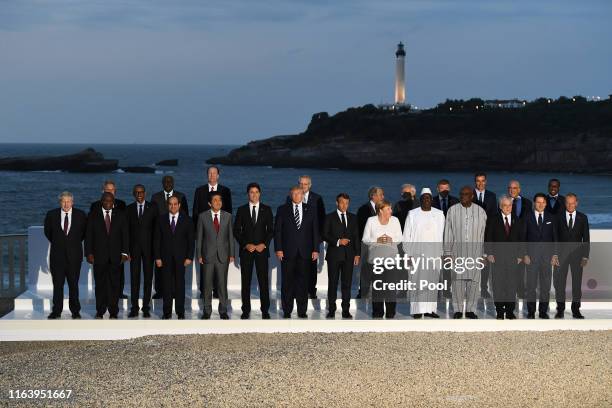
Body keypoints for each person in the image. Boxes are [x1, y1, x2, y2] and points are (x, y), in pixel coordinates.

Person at [275, 186, 319, 318]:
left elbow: (315, 231)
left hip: (305, 252)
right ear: (290, 195)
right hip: (287, 252)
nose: (296, 196)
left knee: (303, 283)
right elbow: (278, 231)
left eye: (299, 193)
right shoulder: (282, 209)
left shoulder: (311, 210)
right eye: (294, 194)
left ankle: (302, 311)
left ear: (302, 195)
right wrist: (278, 249)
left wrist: (316, 249)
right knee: (287, 282)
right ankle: (287, 311)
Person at [444, 186, 487, 319]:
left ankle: (470, 310)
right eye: (461, 194)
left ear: (472, 196)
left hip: (475, 252)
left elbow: (483, 235)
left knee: (473, 282)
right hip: (457, 251)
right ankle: (457, 309)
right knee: (457, 281)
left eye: (467, 194)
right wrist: (447, 252)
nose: (464, 196)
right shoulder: (452, 210)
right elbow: (448, 232)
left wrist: (484, 254)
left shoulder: (480, 211)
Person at [43, 191, 88, 319]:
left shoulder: (81, 215)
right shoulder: (51, 215)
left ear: (72, 202)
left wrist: (72, 243)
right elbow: (48, 232)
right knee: (57, 285)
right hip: (57, 256)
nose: (66, 204)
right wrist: (60, 242)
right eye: (63, 201)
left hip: (74, 256)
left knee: (74, 284)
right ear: (60, 202)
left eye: (69, 201)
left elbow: (84, 233)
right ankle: (56, 311)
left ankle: (75, 311)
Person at [402, 188, 445, 319]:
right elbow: (406, 235)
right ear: (420, 200)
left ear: (432, 200)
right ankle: (417, 310)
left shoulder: (439, 214)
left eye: (428, 198)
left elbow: (442, 235)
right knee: (417, 282)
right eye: (424, 198)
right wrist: (407, 254)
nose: (426, 200)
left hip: (434, 254)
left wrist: (443, 253)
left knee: (432, 283)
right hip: (416, 254)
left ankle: (430, 309)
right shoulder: (412, 214)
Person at [85, 192, 129, 319]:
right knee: (100, 285)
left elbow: (125, 235)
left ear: (113, 202)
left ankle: (113, 312)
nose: (108, 203)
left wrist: (125, 253)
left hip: (116, 257)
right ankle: (100, 311)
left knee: (115, 285)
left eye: (110, 201)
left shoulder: (121, 215)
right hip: (99, 257)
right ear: (101, 201)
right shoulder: (93, 215)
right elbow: (89, 236)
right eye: (105, 201)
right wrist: (88, 253)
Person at [233, 183, 274, 319]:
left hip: (262, 251)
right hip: (247, 252)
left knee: (263, 282)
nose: (254, 194)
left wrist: (264, 244)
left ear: (260, 193)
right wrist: (245, 244)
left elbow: (271, 230)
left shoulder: (267, 209)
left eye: (256, 192)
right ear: (248, 194)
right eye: (251, 192)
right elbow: (236, 231)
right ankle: (246, 310)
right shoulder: (241, 210)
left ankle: (265, 310)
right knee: (246, 282)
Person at [192, 165, 232, 299]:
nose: (212, 175)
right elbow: (195, 212)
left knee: (220, 269)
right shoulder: (199, 191)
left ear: (218, 175)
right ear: (207, 175)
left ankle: (218, 293)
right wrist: (197, 235)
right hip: (205, 235)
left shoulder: (225, 191)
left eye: (214, 173)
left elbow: (229, 213)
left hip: (221, 236)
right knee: (205, 267)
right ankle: (205, 292)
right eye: (209, 173)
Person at [484, 195, 525, 319]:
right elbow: (488, 238)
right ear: (501, 206)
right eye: (505, 205)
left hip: (513, 258)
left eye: (510, 205)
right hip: (497, 258)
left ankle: (510, 311)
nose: (508, 208)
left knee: (511, 285)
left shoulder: (518, 220)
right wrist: (489, 254)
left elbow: (521, 240)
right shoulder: (493, 219)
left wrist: (520, 256)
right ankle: (500, 311)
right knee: (498, 285)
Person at [196, 192, 235, 320]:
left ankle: (223, 310)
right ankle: (207, 311)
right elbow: (199, 238)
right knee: (207, 285)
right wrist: (199, 255)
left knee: (222, 285)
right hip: (207, 255)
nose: (218, 202)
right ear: (209, 203)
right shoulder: (202, 217)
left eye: (220, 200)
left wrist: (232, 254)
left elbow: (230, 237)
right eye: (215, 200)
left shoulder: (228, 216)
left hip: (223, 256)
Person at [154, 196, 194, 319]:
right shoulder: (161, 219)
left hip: (181, 258)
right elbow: (157, 240)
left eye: (175, 204)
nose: (173, 206)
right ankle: (167, 312)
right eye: (170, 204)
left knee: (179, 285)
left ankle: (180, 311)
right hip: (165, 258)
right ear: (167, 205)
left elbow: (190, 241)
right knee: (166, 285)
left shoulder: (187, 220)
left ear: (179, 205)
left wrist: (189, 257)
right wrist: (158, 257)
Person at [362, 200, 403, 319]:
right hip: (376, 260)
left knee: (390, 287)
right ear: (380, 210)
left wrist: (391, 239)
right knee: (378, 287)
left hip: (391, 259)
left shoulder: (395, 220)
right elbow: (365, 239)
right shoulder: (371, 221)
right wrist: (377, 241)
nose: (391, 211)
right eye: (388, 209)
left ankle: (391, 313)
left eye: (390, 209)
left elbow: (400, 238)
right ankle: (377, 312)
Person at [286, 175, 325, 299]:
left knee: (311, 268)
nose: (303, 186)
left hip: (312, 240)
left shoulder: (318, 198)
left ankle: (311, 291)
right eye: (301, 183)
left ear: (310, 185)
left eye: (305, 184)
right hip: (295, 241)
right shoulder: (289, 197)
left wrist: (318, 240)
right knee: (295, 268)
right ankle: (295, 291)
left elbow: (322, 220)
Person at [322, 193, 361, 319]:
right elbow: (325, 234)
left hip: (349, 256)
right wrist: (338, 241)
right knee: (332, 283)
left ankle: (346, 310)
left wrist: (357, 254)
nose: (344, 205)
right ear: (337, 203)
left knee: (347, 284)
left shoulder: (353, 218)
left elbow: (356, 237)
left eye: (346, 203)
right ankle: (332, 310)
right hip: (334, 255)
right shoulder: (329, 217)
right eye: (342, 202)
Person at [150, 175, 189, 299]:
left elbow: (185, 217)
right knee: (160, 267)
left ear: (173, 183)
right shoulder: (155, 197)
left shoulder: (181, 196)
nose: (168, 183)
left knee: (176, 269)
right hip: (161, 236)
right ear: (162, 183)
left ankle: (174, 291)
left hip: (177, 237)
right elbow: (152, 217)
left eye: (170, 181)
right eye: (165, 181)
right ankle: (159, 290)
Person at [89, 180, 128, 299]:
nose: (110, 191)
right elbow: (91, 228)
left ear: (115, 191)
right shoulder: (95, 205)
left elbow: (124, 228)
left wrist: (125, 251)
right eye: (107, 190)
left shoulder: (122, 204)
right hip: (101, 249)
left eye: (112, 190)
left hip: (116, 248)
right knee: (101, 276)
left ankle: (119, 293)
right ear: (103, 191)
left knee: (119, 273)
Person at [523, 193, 559, 319]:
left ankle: (543, 311)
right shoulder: (527, 217)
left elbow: (555, 238)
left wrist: (555, 255)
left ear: (546, 203)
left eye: (543, 202)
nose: (540, 204)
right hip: (531, 258)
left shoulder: (552, 217)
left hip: (547, 258)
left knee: (545, 286)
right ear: (534, 203)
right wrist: (525, 254)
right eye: (538, 202)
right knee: (531, 286)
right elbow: (523, 238)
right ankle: (531, 312)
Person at [554, 193, 589, 319]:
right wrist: (555, 255)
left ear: (577, 203)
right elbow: (555, 238)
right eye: (568, 203)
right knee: (560, 283)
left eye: (572, 202)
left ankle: (576, 310)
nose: (570, 205)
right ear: (565, 203)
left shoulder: (583, 217)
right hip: (561, 256)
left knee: (576, 283)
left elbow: (586, 239)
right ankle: (560, 309)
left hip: (577, 256)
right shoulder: (557, 217)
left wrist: (585, 256)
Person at [126, 184, 157, 318]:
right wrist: (126, 251)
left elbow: (157, 232)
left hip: (149, 250)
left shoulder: (153, 208)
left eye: (141, 192)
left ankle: (146, 307)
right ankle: (134, 307)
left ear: (145, 193)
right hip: (133, 251)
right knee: (134, 279)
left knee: (148, 279)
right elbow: (126, 232)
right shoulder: (129, 209)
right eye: (137, 192)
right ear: (134, 194)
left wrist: (156, 252)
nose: (139, 194)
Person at [356, 186, 385, 299]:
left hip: (381, 247)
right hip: (367, 246)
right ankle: (363, 292)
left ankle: (376, 291)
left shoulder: (382, 209)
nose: (383, 197)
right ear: (373, 196)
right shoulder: (364, 209)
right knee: (366, 270)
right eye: (381, 194)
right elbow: (360, 229)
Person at [472, 172, 498, 299]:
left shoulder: (492, 196)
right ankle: (471, 288)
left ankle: (484, 288)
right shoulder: (469, 195)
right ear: (475, 182)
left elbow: (494, 216)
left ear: (486, 181)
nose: (480, 183)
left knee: (485, 261)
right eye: (478, 180)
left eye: (483, 181)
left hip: (487, 234)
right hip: (472, 234)